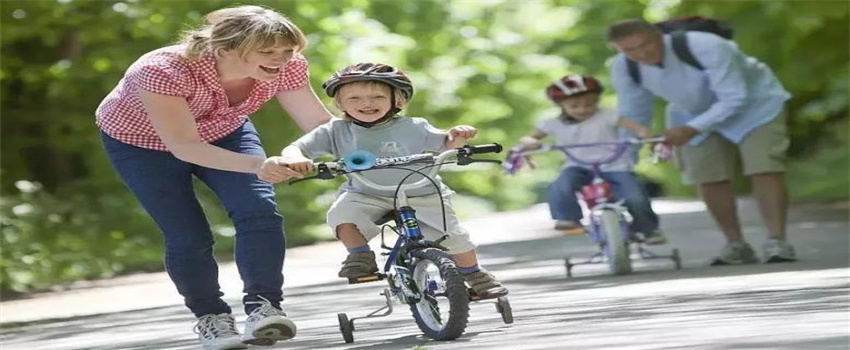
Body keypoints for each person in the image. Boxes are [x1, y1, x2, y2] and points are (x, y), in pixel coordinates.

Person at [95, 5, 333, 350]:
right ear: (226, 50)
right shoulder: (163, 70)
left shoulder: (287, 66)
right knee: (188, 235)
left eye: (287, 50)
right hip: (143, 143)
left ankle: (264, 308)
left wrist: (383, 141)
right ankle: (212, 318)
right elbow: (185, 146)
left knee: (259, 211)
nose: (281, 59)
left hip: (226, 130)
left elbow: (319, 124)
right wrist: (257, 165)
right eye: (268, 52)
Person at [280, 63, 509, 298]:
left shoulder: (415, 126)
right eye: (354, 98)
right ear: (340, 104)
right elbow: (298, 147)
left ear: (397, 100)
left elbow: (446, 143)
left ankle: (473, 273)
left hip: (421, 191)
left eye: (377, 96)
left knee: (454, 236)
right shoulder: (335, 130)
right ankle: (360, 255)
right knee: (342, 215)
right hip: (366, 193)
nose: (366, 103)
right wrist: (295, 158)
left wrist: (457, 136)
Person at [606, 19, 795, 264]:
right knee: (707, 176)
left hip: (755, 108)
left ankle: (777, 242)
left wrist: (691, 128)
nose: (641, 54)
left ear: (658, 36)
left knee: (764, 168)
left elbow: (734, 97)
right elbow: (634, 114)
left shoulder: (707, 46)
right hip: (691, 113)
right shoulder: (625, 67)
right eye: (629, 50)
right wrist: (624, 163)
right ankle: (736, 244)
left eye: (646, 45)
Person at [516, 74, 666, 244]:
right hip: (577, 165)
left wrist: (646, 135)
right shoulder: (552, 123)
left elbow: (638, 128)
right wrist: (530, 143)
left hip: (615, 165)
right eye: (574, 106)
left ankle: (648, 230)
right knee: (561, 184)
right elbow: (527, 138)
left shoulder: (609, 114)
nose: (583, 109)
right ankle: (568, 218)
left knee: (635, 197)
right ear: (560, 105)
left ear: (597, 100)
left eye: (589, 103)